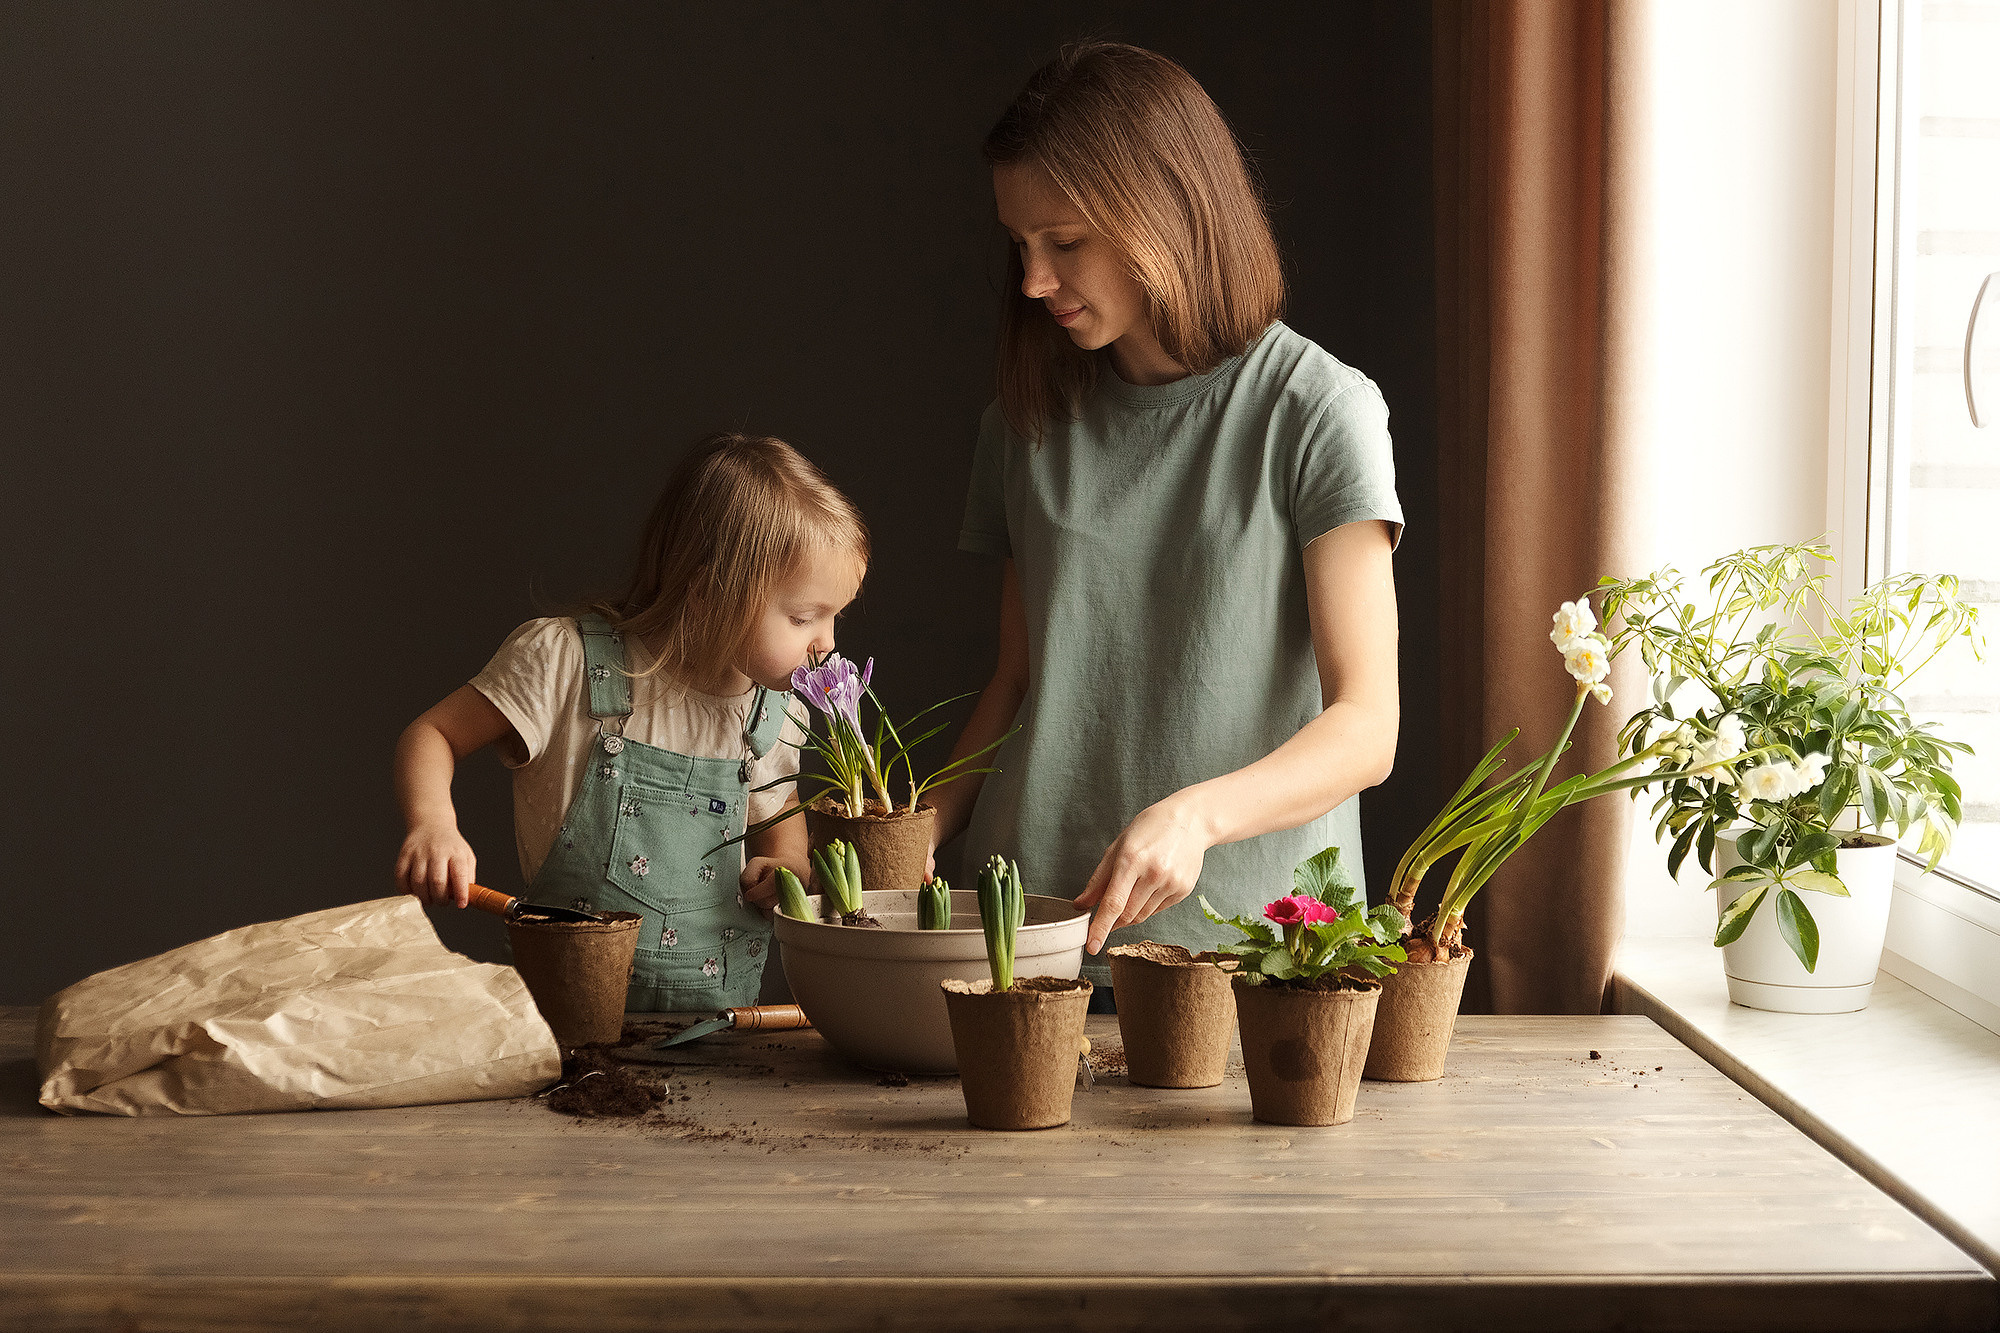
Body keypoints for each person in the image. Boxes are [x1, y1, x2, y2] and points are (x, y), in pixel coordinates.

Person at [926, 43, 1404, 1003]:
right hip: (1031, 946)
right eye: (1019, 245)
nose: (1031, 279)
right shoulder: (1024, 421)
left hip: (1250, 962)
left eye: (1063, 242)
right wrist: (902, 835)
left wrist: (1197, 817)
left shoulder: (1316, 411)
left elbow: (1367, 727)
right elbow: (1020, 683)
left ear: (1165, 214)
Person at [393, 433, 867, 1011]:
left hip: (723, 1037)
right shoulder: (563, 662)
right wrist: (433, 825)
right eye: (804, 617)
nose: (828, 644)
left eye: (835, 617)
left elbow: (778, 815)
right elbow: (433, 734)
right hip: (573, 1033)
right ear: (714, 590)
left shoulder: (773, 710)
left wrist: (786, 865)